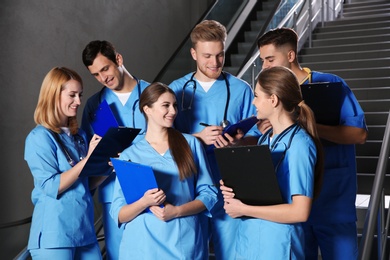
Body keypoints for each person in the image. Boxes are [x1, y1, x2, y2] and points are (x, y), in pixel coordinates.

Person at [257, 27, 368, 259]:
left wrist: (310, 127)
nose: (265, 66)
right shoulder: (269, 96)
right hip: (290, 204)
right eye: (262, 61)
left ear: (290, 56)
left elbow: (358, 135)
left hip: (333, 200)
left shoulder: (330, 84)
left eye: (269, 59)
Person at [169, 19, 260, 259]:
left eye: (220, 55)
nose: (215, 63)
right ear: (193, 53)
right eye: (207, 56)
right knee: (190, 252)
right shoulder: (176, 90)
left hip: (228, 185)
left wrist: (239, 142)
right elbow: (162, 136)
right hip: (189, 185)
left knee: (230, 253)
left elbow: (255, 136)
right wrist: (195, 137)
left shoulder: (241, 89)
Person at [220, 66, 324, 259]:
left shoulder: (300, 144)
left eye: (257, 96)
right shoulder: (265, 138)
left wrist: (243, 208)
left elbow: (300, 212)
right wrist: (235, 191)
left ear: (273, 99)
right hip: (252, 240)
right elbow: (262, 191)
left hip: (278, 244)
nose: (253, 102)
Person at [109, 82, 218, 259]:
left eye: (174, 105)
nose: (173, 111)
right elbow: (119, 213)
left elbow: (209, 195)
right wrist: (144, 202)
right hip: (142, 246)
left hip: (182, 241)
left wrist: (177, 211)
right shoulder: (129, 155)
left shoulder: (190, 144)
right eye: (166, 106)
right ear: (147, 109)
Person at [24, 67, 104, 259]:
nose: (78, 101)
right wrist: (88, 160)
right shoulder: (39, 138)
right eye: (72, 95)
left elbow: (85, 184)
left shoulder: (80, 137)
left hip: (84, 230)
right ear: (53, 95)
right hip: (55, 234)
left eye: (80, 95)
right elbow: (52, 186)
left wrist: (107, 164)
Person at [81, 40, 150, 259]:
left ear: (118, 59)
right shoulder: (95, 106)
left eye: (105, 69)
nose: (103, 78)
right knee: (118, 254)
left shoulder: (153, 94)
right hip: (112, 193)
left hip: (151, 188)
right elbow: (89, 155)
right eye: (96, 75)